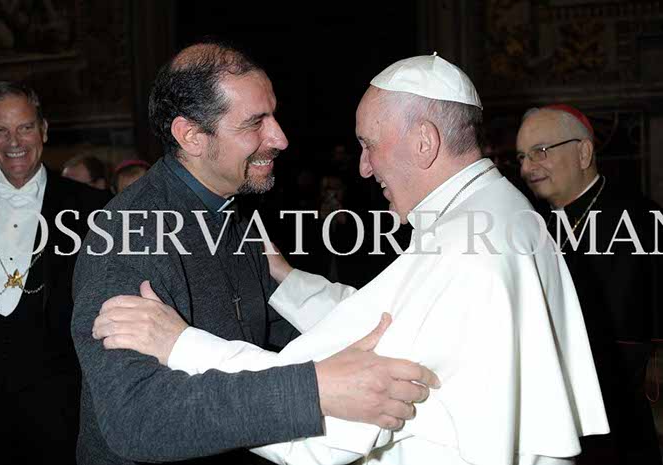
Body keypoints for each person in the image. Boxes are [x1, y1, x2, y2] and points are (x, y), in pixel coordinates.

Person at [93, 54, 610, 465]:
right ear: (191, 134)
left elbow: (323, 434)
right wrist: (290, 282)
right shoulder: (497, 212)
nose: (362, 167)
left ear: (424, 142)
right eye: (256, 122)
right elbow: (386, 318)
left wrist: (182, 345)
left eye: (369, 144)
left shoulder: (466, 251)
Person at [70, 40, 437, 465]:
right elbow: (137, 418)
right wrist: (313, 391)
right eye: (254, 123)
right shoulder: (128, 234)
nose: (280, 138)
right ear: (191, 136)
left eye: (273, 116)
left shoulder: (236, 212)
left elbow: (269, 332)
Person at [0, 81, 110, 465]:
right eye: (0, 130)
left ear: (43, 130)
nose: (14, 141)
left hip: (61, 411)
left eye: (25, 127)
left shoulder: (93, 209)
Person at [516, 104, 663, 465]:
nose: (527, 168)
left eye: (540, 152)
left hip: (623, 393)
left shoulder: (641, 217)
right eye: (522, 157)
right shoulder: (528, 223)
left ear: (583, 152)